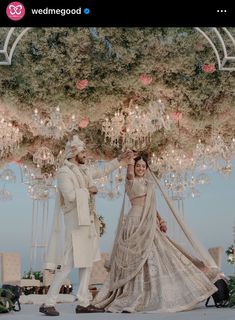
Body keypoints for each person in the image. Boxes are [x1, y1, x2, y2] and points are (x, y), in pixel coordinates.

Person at [92, 154, 218, 313]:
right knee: (135, 257)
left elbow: (151, 206)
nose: (140, 168)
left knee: (161, 254)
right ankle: (131, 293)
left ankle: (156, 293)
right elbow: (130, 173)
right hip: (134, 221)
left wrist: (161, 220)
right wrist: (130, 158)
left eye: (143, 166)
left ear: (146, 169)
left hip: (149, 221)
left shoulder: (149, 183)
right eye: (138, 166)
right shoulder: (130, 180)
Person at [39, 135, 131, 316]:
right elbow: (71, 195)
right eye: (83, 151)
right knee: (67, 264)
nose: (86, 154)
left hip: (88, 222)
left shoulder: (83, 170)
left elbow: (102, 171)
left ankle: (83, 302)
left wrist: (119, 159)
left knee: (87, 263)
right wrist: (89, 190)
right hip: (75, 224)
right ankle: (48, 302)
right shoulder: (64, 172)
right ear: (73, 152)